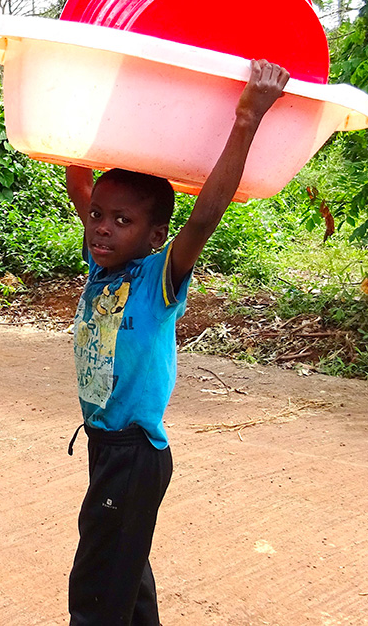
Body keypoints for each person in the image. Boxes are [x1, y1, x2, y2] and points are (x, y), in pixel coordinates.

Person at [64, 59, 290, 625]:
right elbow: (78, 178)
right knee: (126, 575)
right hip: (104, 447)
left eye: (121, 220)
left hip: (134, 453)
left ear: (155, 235)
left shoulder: (158, 279)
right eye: (97, 216)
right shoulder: (103, 268)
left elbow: (205, 215)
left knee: (97, 589)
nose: (101, 228)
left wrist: (247, 118)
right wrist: (75, 101)